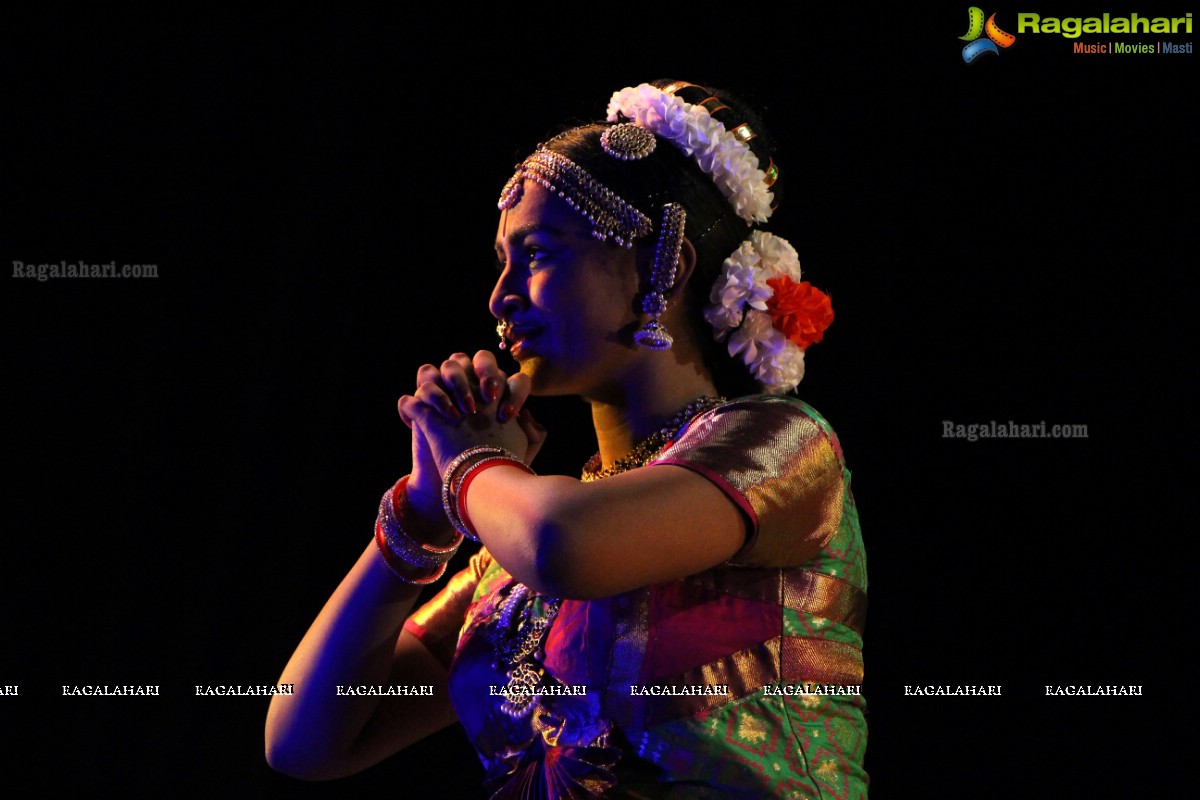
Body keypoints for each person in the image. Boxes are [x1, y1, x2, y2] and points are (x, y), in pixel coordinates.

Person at [265, 79, 868, 798]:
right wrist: (424, 515)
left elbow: (564, 545)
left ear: (662, 269)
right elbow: (305, 739)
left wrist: (467, 466)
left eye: (539, 254)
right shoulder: (506, 568)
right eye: (501, 261)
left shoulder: (783, 445)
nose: (500, 296)